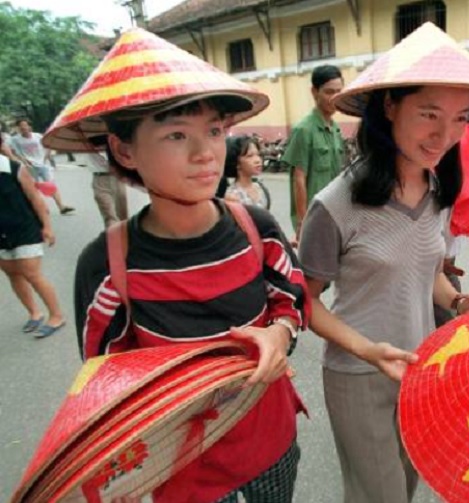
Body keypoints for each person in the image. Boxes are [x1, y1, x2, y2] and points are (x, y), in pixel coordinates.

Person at [45, 28, 310, 502]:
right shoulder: (108, 265)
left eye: (213, 131)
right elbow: (106, 381)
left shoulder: (257, 228)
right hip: (182, 467)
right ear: (124, 150)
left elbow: (291, 302)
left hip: (270, 440)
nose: (205, 153)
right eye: (175, 135)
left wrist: (278, 334)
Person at [297, 22, 469, 503]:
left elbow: (432, 273)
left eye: (461, 118)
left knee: (411, 480)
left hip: (424, 370)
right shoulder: (334, 205)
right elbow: (306, 302)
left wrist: (460, 303)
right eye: (429, 114)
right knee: (379, 495)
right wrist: (367, 350)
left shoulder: (439, 190)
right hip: (359, 376)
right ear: (390, 106)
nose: (445, 134)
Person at [0, 134, 66, 338]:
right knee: (13, 273)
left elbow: (36, 199)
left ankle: (56, 315)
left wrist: (47, 227)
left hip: (24, 228)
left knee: (31, 273)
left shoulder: (13, 168)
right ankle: (34, 313)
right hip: (2, 234)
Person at [281, 64, 345, 238]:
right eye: (329, 92)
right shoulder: (304, 130)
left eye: (339, 92)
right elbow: (299, 179)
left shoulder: (335, 129)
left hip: (335, 213)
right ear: (314, 92)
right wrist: (303, 223)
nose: (334, 98)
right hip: (314, 217)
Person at [10, 119, 75, 215]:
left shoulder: (38, 136)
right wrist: (25, 162)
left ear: (29, 127)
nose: (23, 127)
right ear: (18, 128)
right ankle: (42, 208)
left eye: (25, 125)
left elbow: (47, 146)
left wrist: (46, 157)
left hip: (43, 164)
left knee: (50, 185)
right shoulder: (15, 139)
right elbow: (15, 152)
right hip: (30, 166)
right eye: (21, 126)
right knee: (34, 188)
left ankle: (61, 207)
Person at [82, 137, 128, 228]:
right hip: (100, 179)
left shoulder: (115, 141)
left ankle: (126, 237)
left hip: (116, 179)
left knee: (122, 215)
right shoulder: (85, 142)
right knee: (109, 216)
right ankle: (114, 238)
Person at [224, 134, 270, 210]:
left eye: (258, 155)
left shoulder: (260, 188)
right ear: (236, 162)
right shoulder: (233, 196)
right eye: (250, 156)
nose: (257, 160)